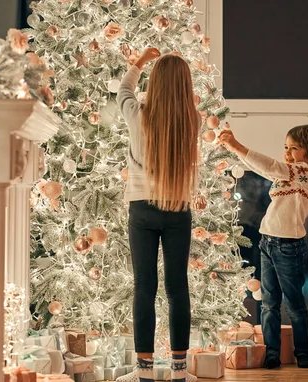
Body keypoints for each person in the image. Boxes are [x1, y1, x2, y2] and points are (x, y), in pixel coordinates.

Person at [116, 48, 200, 382]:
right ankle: (179, 372)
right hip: (178, 209)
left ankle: (144, 372)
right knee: (178, 288)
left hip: (142, 210)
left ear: (156, 84)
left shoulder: (137, 115)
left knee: (144, 288)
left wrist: (138, 63)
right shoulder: (192, 121)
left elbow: (123, 91)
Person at [218, 124, 308, 369]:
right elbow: (262, 168)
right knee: (269, 302)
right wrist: (234, 150)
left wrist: (237, 145)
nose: (287, 152)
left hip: (289, 245)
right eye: (286, 147)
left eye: (294, 148)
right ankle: (271, 352)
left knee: (294, 303)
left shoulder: (305, 173)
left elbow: (270, 166)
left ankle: (303, 352)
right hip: (267, 242)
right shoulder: (288, 173)